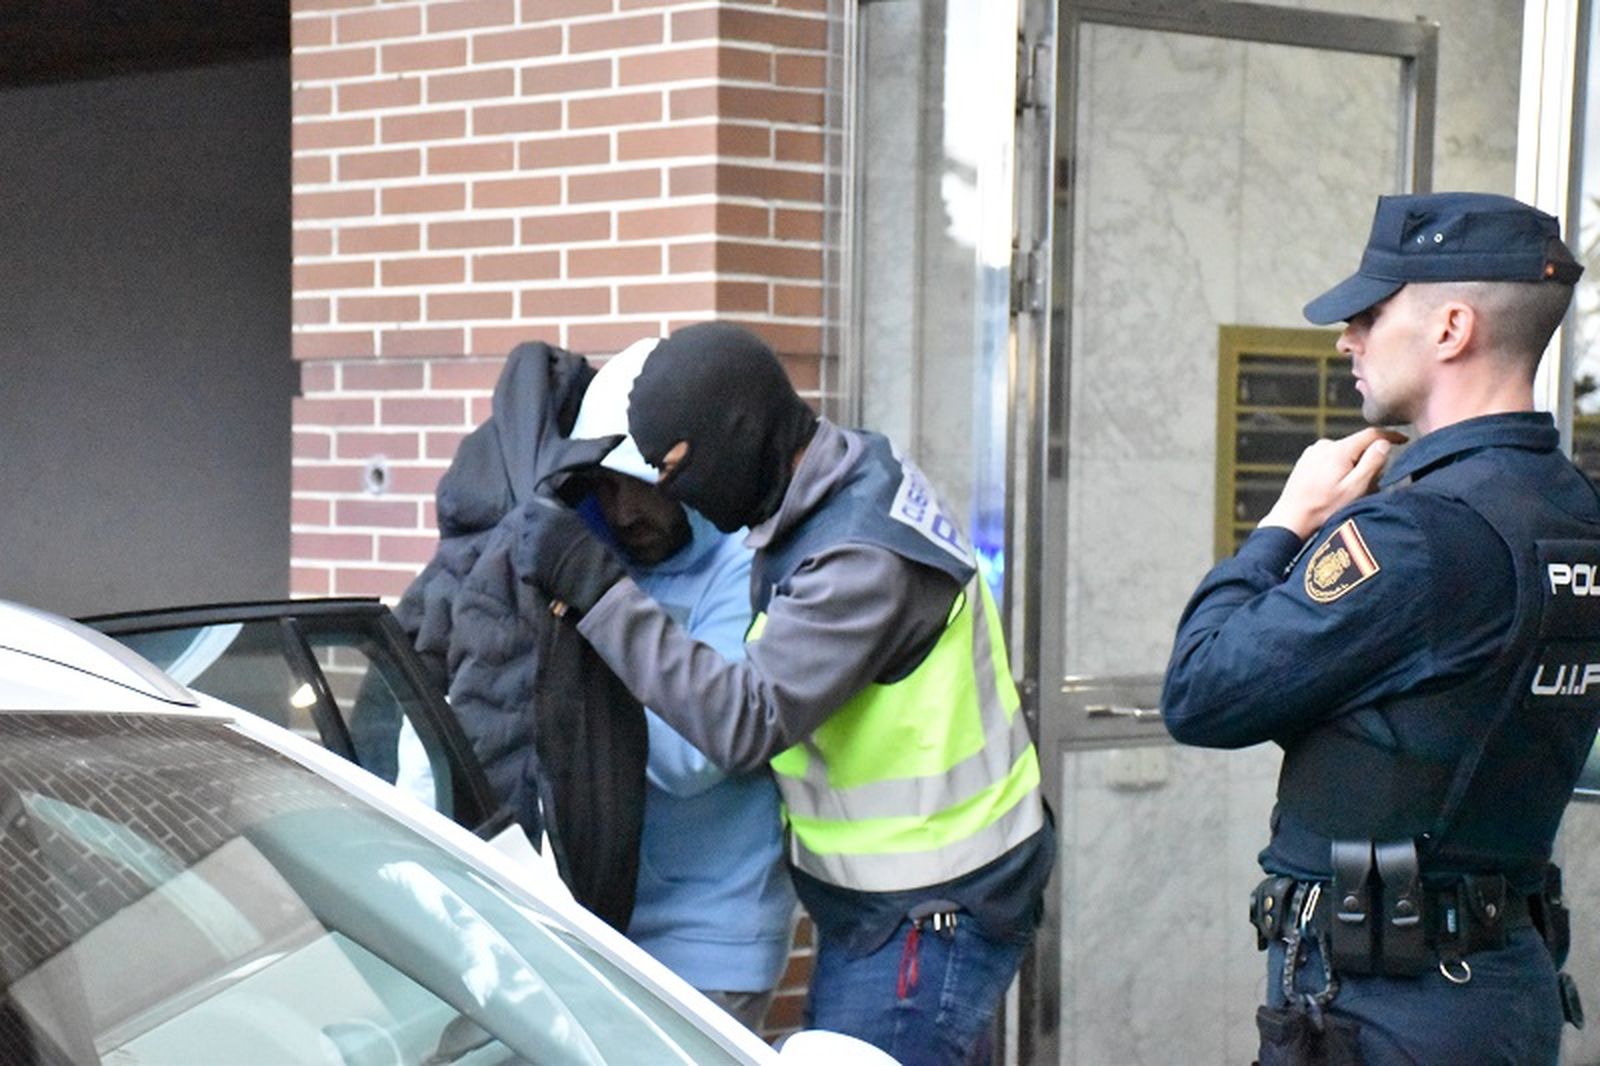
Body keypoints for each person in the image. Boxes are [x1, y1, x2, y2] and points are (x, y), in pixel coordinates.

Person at [516, 322, 1055, 1065]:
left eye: (675, 471)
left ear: (736, 435)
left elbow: (746, 721)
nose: (672, 497)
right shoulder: (838, 488)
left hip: (931, 910)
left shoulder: (861, 554)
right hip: (886, 905)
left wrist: (600, 593)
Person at [1161, 192, 1599, 1064]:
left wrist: (1285, 522)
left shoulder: (1417, 534)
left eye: (1368, 315)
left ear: (1451, 328)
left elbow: (1200, 691)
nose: (1346, 340)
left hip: (1389, 1004)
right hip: (1498, 983)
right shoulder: (1573, 511)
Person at [563, 339, 796, 1032]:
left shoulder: (744, 568)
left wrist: (586, 669)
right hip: (612, 928)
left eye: (637, 482)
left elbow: (694, 755)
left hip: (712, 940)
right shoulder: (613, 558)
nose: (622, 510)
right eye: (603, 487)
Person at [394, 340, 648, 932]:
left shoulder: (478, 531)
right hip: (509, 879)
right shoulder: (532, 547)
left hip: (456, 856)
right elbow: (499, 728)